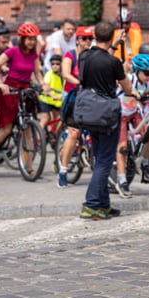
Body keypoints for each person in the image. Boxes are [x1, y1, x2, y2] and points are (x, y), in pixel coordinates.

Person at [78, 21, 133, 219]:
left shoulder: (84, 57)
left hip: (89, 111)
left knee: (99, 156)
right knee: (104, 160)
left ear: (94, 36)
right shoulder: (113, 62)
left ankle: (103, 204)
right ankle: (91, 203)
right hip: (107, 113)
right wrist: (123, 69)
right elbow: (127, 88)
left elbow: (98, 56)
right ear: (111, 37)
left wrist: (113, 45)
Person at [0, 23, 48, 168]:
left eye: (33, 39)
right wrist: (0, 83)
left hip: (25, 89)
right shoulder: (12, 51)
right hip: (10, 89)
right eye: (28, 39)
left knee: (28, 128)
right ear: (22, 39)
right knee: (6, 129)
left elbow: (37, 73)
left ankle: (29, 166)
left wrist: (43, 84)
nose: (31, 42)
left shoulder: (34, 55)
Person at [113, 53, 149, 197]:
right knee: (122, 148)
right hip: (120, 114)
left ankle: (146, 165)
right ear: (137, 71)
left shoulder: (146, 83)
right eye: (146, 73)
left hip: (134, 113)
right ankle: (122, 182)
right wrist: (132, 91)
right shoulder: (131, 79)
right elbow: (120, 81)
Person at [56, 25, 94, 189]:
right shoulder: (70, 55)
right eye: (84, 39)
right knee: (73, 132)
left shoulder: (93, 56)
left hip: (90, 97)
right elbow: (65, 74)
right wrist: (79, 82)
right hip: (73, 97)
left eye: (90, 39)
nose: (87, 42)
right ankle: (63, 172)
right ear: (77, 40)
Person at [37, 54, 64, 133]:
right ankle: (38, 139)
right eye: (53, 64)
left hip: (56, 102)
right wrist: (52, 95)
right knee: (45, 118)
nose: (55, 66)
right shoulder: (49, 74)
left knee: (58, 118)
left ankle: (54, 135)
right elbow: (46, 86)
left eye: (57, 64)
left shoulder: (63, 75)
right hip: (46, 100)